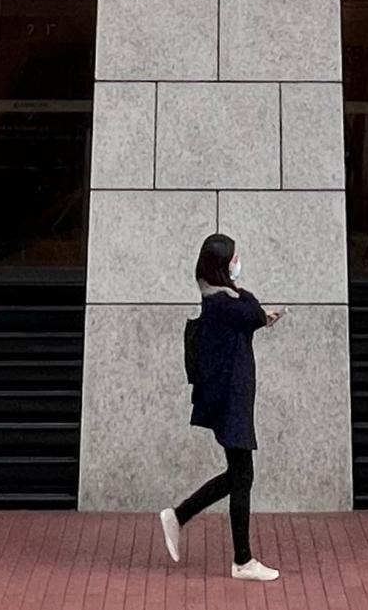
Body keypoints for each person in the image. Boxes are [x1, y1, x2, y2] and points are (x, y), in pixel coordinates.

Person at [159, 232, 282, 581]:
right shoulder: (223, 303)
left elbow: (252, 317)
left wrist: (245, 301)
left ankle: (179, 516)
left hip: (231, 396)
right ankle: (242, 560)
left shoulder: (218, 300)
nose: (238, 263)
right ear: (222, 267)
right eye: (233, 259)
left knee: (239, 474)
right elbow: (253, 311)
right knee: (242, 476)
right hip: (230, 399)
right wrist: (241, 296)